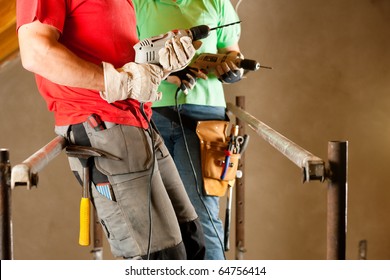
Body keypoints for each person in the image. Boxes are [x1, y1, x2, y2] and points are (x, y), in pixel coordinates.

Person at [16, 0, 206, 260]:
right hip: (102, 127)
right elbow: (36, 52)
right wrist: (122, 81)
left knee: (192, 242)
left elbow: (113, 55)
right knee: (159, 260)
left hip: (140, 122)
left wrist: (160, 64)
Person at [133, 0, 244, 259]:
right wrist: (167, 70)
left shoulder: (215, 2)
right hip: (152, 114)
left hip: (205, 119)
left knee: (201, 211)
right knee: (156, 218)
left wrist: (232, 68)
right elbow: (127, 57)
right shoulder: (138, 4)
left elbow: (233, 53)